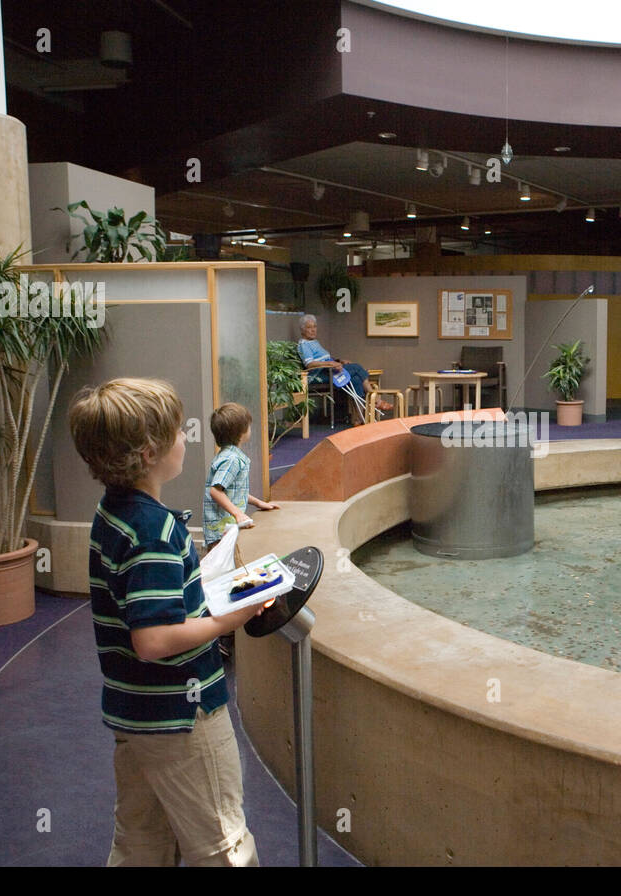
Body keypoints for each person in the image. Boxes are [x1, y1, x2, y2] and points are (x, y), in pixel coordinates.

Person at [68, 377, 263, 867]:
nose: (186, 439)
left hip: (135, 712)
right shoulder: (154, 529)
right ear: (151, 452)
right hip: (182, 712)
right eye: (178, 432)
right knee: (223, 844)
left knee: (141, 841)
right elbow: (152, 639)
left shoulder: (114, 513)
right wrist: (228, 619)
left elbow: (148, 606)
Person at [202, 402, 279, 657]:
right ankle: (222, 638)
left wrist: (258, 503)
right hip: (222, 530)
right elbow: (216, 490)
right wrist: (237, 513)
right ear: (241, 432)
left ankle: (225, 632)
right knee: (225, 580)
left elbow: (236, 491)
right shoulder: (232, 459)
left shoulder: (227, 455)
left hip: (225, 528)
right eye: (248, 426)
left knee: (228, 576)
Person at [297, 314, 392, 422]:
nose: (313, 330)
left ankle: (357, 419)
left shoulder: (314, 342)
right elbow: (309, 364)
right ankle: (376, 400)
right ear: (302, 330)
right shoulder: (304, 345)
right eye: (309, 327)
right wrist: (330, 365)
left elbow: (325, 358)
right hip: (319, 375)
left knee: (356, 379)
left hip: (329, 371)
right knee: (356, 367)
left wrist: (338, 361)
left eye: (314, 327)